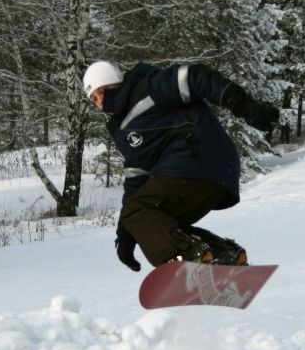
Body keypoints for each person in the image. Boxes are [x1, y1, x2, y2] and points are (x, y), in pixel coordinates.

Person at [82, 60, 280, 272]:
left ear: (114, 82)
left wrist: (244, 106)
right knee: (158, 221)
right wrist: (127, 233)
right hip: (214, 172)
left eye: (102, 92)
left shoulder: (148, 87)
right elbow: (136, 176)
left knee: (138, 212)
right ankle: (224, 255)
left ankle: (185, 258)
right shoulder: (121, 128)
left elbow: (195, 77)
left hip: (197, 157)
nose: (100, 102)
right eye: (94, 98)